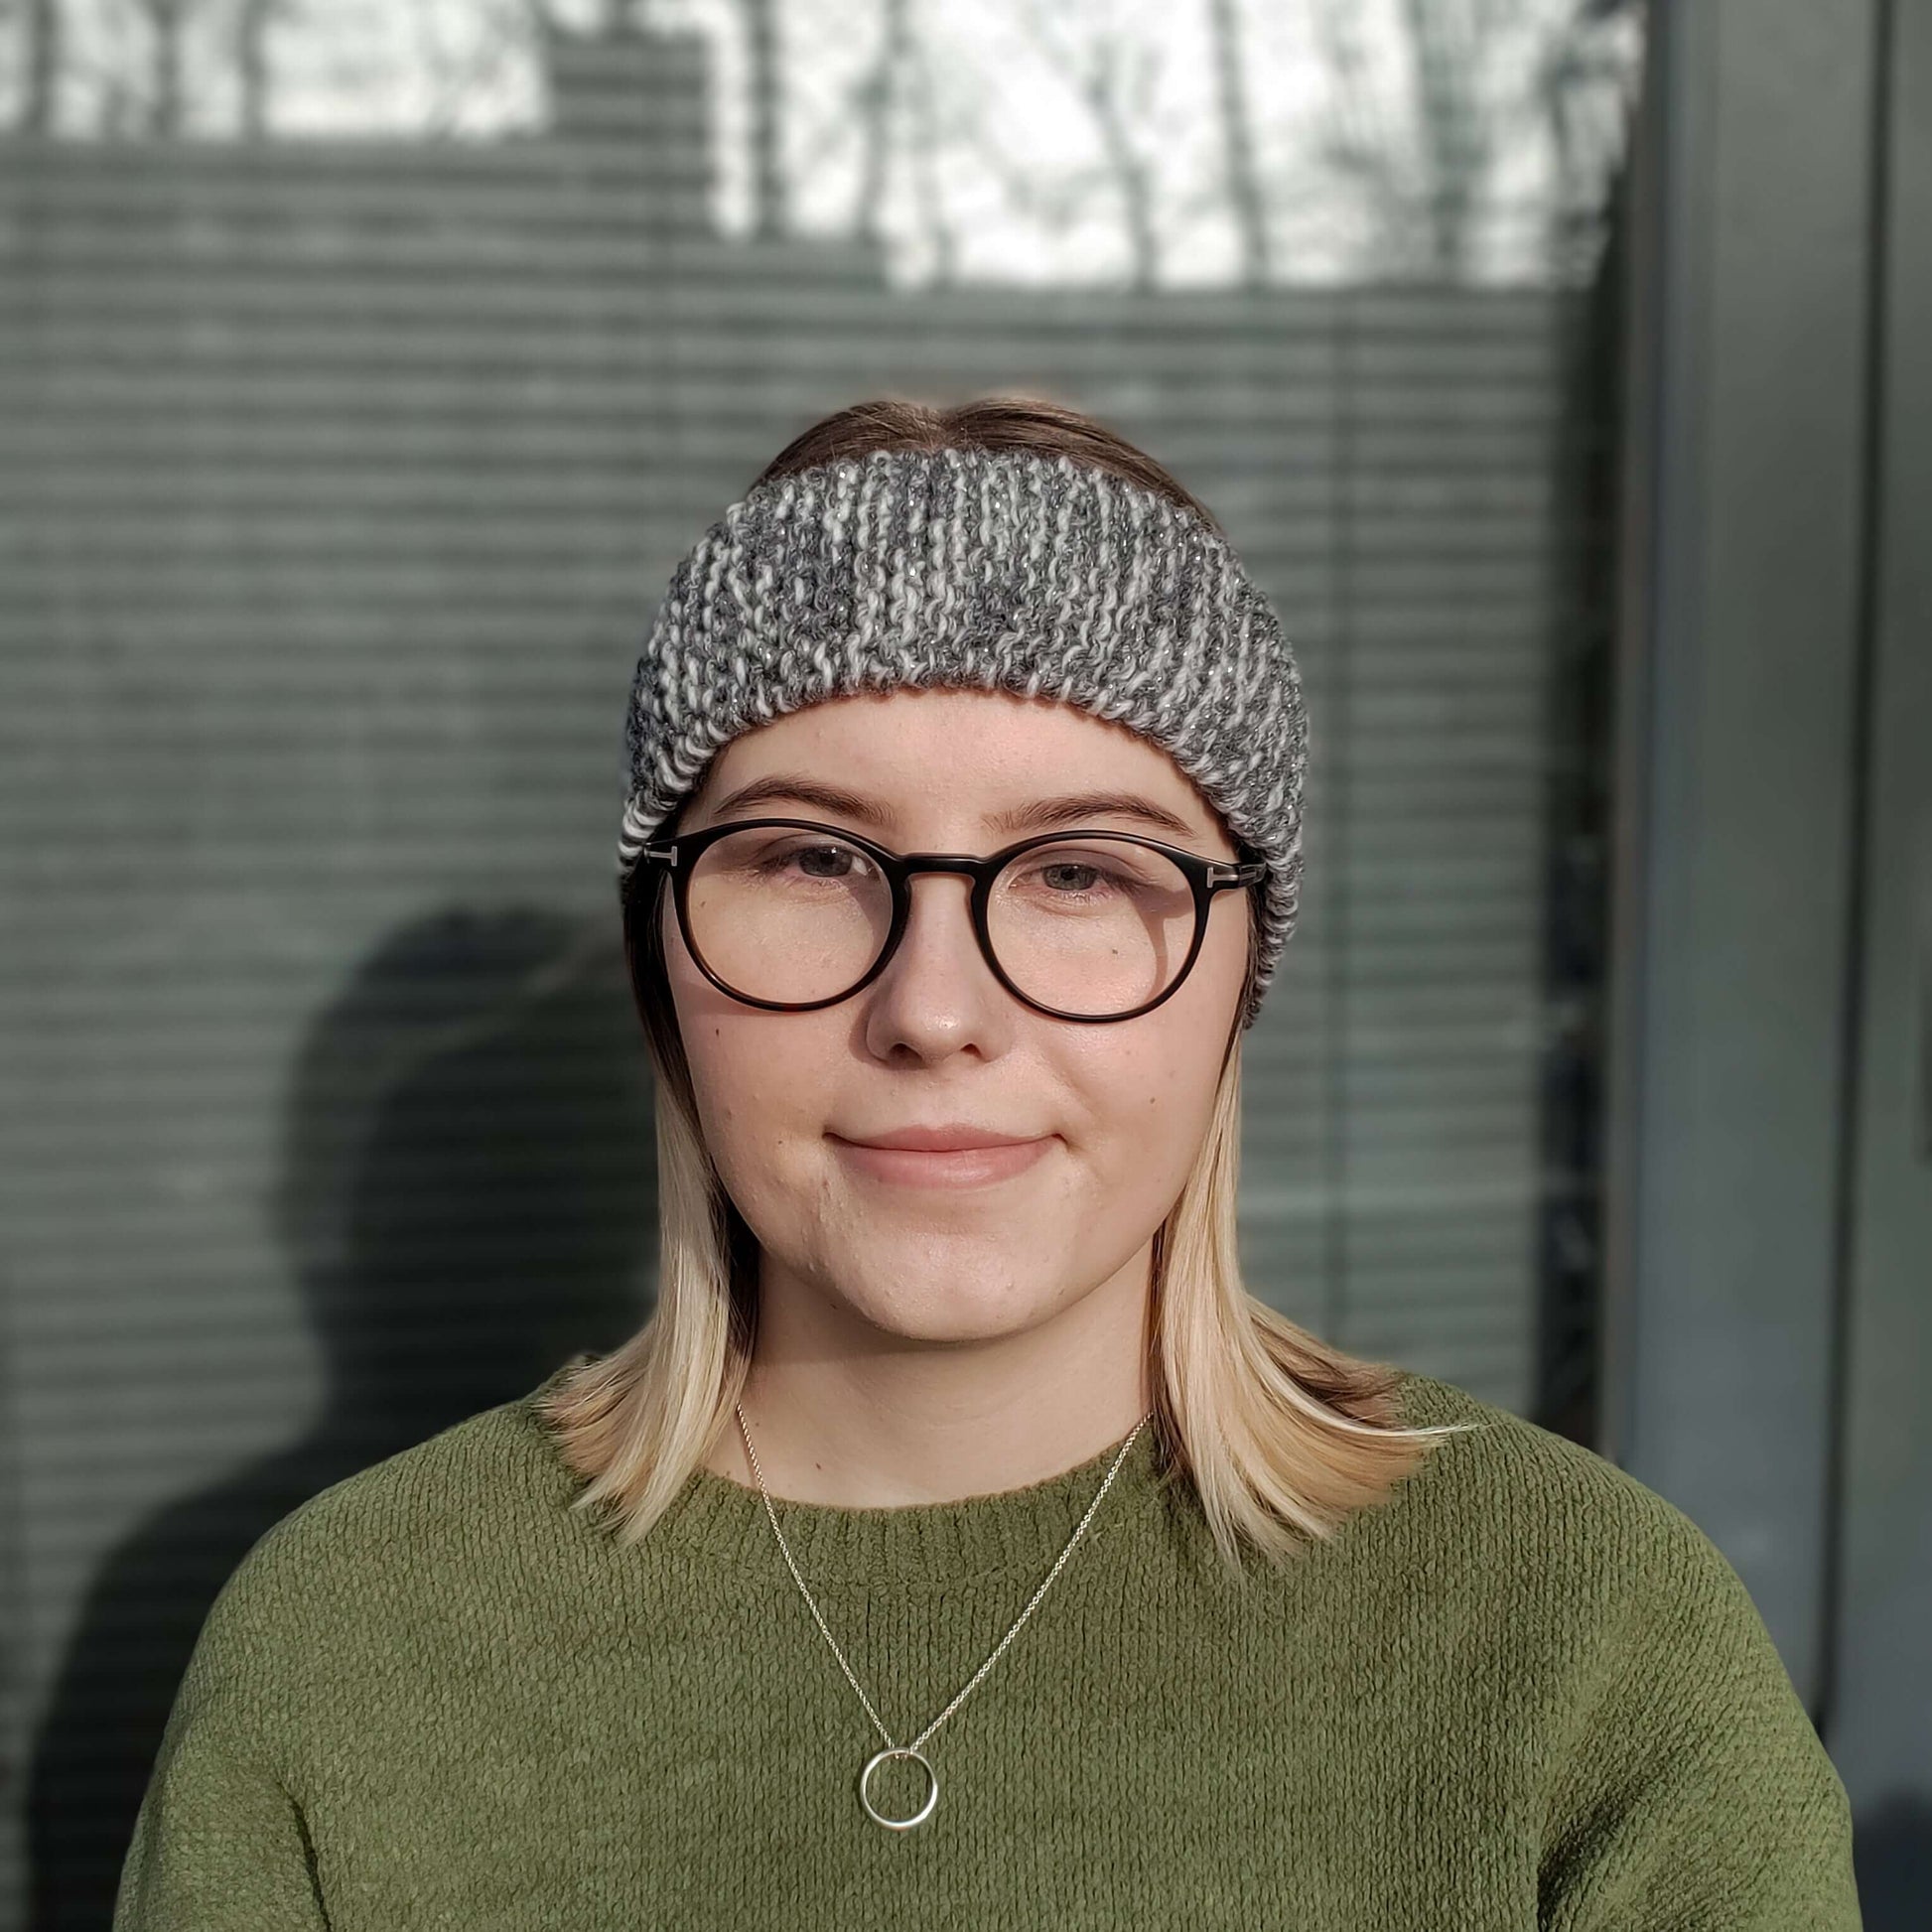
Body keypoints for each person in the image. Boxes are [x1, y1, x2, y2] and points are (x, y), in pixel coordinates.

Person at [112, 396, 1863, 1927]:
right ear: (661, 967)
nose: (933, 1007)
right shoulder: (348, 1660)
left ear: (1238, 976)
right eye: (807, 859)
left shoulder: (1583, 1649)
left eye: (1082, 872)